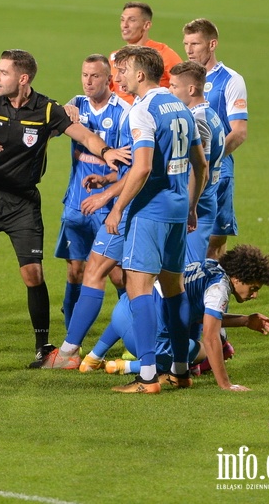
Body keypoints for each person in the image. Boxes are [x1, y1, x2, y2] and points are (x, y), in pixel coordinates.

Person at [0, 49, 129, 365]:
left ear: (23, 78)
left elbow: (83, 135)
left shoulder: (46, 110)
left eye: (3, 72)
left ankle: (43, 345)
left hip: (22, 202)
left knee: (33, 274)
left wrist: (107, 151)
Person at [100, 45, 207, 394]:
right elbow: (201, 165)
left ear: (141, 74)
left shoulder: (142, 111)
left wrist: (117, 208)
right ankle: (180, 370)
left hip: (150, 212)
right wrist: (191, 206)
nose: (119, 77)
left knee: (138, 286)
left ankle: (147, 376)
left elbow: (142, 166)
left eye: (124, 71)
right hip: (177, 211)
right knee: (174, 289)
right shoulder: (180, 106)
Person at [95, 245, 269, 392]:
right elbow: (210, 337)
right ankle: (129, 366)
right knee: (202, 349)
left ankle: (92, 358)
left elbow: (199, 318)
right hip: (141, 340)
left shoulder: (208, 265)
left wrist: (246, 321)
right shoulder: (219, 289)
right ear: (237, 279)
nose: (254, 296)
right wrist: (226, 385)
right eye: (253, 288)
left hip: (122, 312)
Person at [55, 54, 131, 330]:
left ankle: (130, 330)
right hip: (76, 203)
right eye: (84, 75)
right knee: (75, 270)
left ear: (108, 78)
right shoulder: (76, 105)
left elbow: (128, 167)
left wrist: (105, 180)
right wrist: (62, 109)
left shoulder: (123, 112)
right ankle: (69, 336)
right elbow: (50, 128)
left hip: (110, 206)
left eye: (95, 76)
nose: (88, 81)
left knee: (119, 275)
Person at [182, 18, 248, 260]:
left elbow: (239, 132)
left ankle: (213, 296)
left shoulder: (230, 80)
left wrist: (209, 160)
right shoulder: (180, 78)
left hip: (219, 169)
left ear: (212, 44)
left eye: (195, 44)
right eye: (186, 43)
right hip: (184, 169)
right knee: (182, 238)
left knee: (215, 240)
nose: (189, 50)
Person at [168, 61, 226, 264]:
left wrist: (190, 207)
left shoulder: (197, 120)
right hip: (206, 200)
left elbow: (199, 167)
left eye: (174, 86)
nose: (169, 90)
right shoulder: (210, 114)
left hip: (198, 205)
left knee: (189, 271)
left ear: (191, 89)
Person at [110, 2, 181, 105]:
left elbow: (183, 84)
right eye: (122, 20)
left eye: (132, 20)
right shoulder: (115, 57)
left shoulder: (162, 53)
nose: (125, 25)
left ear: (146, 25)